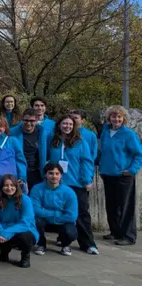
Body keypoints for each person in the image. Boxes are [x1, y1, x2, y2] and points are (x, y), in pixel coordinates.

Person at [40, 115, 97, 254]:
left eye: (70, 124)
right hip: (57, 183)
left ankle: (88, 244)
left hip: (76, 183)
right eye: (64, 123)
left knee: (82, 214)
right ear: (59, 125)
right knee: (59, 211)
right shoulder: (53, 140)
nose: (67, 126)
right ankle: (63, 239)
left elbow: (86, 161)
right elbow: (46, 158)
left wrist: (87, 179)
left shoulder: (80, 142)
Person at [98, 105, 142, 246]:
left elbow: (138, 154)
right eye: (113, 116)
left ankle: (128, 236)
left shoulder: (129, 134)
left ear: (124, 119)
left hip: (123, 175)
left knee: (125, 206)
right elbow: (103, 152)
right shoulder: (105, 132)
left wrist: (132, 170)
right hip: (108, 174)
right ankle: (115, 232)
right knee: (111, 205)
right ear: (109, 118)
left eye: (119, 117)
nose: (116, 119)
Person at [0, 174, 38, 268]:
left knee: (25, 237)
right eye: (6, 185)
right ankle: (4, 251)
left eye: (12, 185)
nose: (9, 188)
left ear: (16, 186)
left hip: (23, 230)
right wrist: (1, 232)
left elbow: (25, 222)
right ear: (1, 187)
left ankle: (25, 256)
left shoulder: (26, 200)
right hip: (3, 230)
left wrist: (6, 233)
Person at [30, 163, 79, 256]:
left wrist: (49, 215)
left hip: (62, 222)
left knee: (71, 233)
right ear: (45, 174)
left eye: (57, 173)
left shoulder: (69, 192)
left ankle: (65, 245)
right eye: (51, 173)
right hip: (44, 221)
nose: (54, 176)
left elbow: (72, 216)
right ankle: (41, 244)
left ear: (61, 175)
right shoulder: (37, 189)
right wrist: (57, 214)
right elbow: (34, 210)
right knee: (34, 222)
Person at [11, 108, 44, 190]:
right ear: (22, 120)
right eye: (26, 120)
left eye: (32, 121)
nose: (28, 123)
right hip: (18, 171)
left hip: (36, 172)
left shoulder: (42, 133)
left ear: (36, 121)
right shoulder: (12, 133)